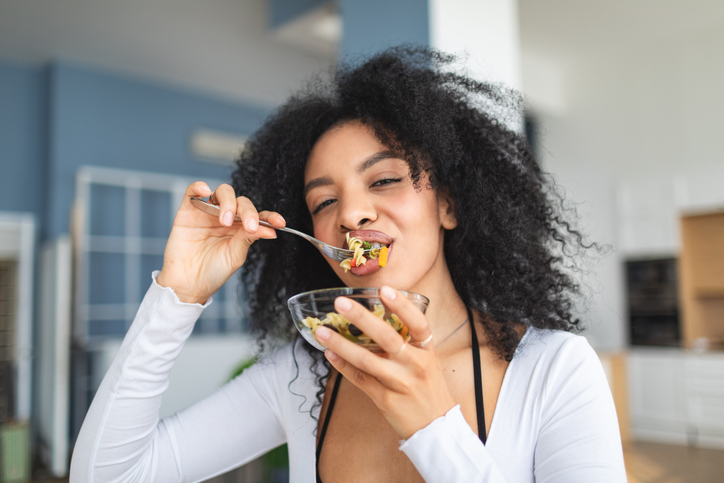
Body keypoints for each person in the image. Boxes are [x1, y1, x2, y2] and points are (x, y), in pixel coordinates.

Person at [70, 46, 627, 482]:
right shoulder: (303, 377)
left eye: (384, 180)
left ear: (449, 204)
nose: (352, 214)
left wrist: (434, 427)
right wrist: (178, 292)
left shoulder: (554, 371)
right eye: (323, 202)